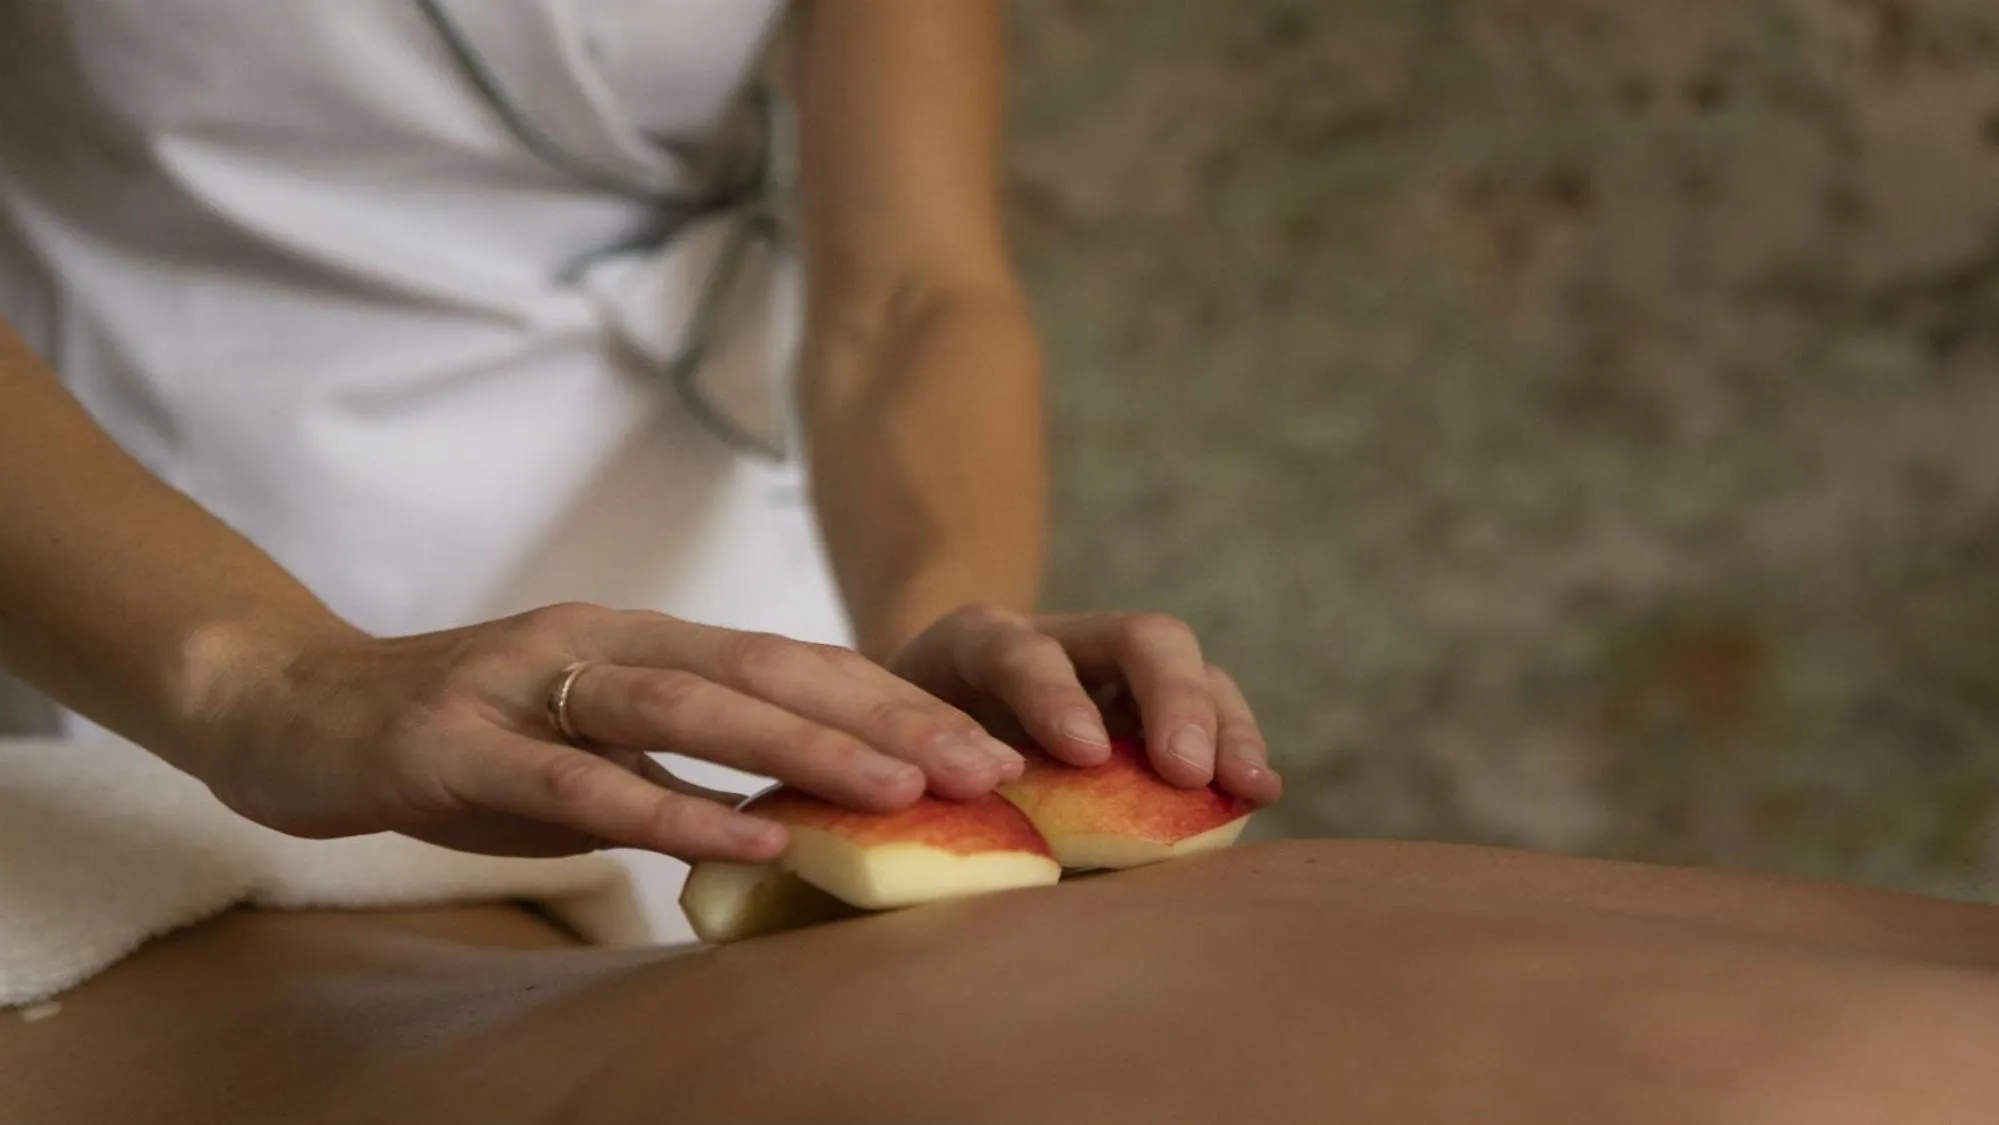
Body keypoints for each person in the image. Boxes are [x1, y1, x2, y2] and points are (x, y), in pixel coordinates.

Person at [0, 0, 1280, 938]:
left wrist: (943, 656)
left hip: (697, 555)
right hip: (158, 547)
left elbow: (908, 289)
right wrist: (269, 678)